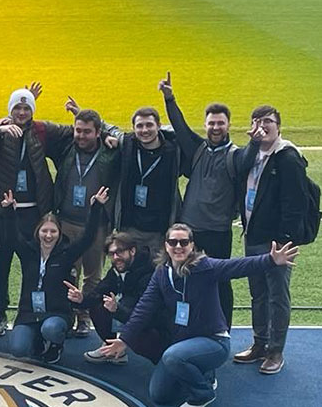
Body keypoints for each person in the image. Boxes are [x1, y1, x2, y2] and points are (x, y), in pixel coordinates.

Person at [100, 223, 299, 407]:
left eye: (184, 242)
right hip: (182, 343)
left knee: (172, 357)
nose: (178, 246)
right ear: (166, 245)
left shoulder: (205, 267)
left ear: (192, 245)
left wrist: (271, 260)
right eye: (173, 242)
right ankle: (202, 372)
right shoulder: (161, 273)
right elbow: (144, 308)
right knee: (159, 394)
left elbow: (238, 266)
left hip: (213, 341)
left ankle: (203, 392)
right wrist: (124, 340)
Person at [0, 86, 76, 336]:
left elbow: (76, 132)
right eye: (16, 107)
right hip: (3, 212)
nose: (21, 112)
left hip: (33, 215)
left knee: (32, 267)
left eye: (26, 107)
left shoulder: (42, 130)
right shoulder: (0, 131)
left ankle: (28, 313)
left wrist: (78, 113)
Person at [159, 72, 241, 328]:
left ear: (228, 125)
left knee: (219, 281)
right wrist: (169, 99)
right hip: (190, 230)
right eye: (211, 123)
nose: (215, 128)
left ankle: (222, 329)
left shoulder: (236, 156)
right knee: (184, 278)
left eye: (220, 123)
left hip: (218, 231)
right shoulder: (197, 149)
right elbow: (180, 128)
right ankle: (187, 327)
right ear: (205, 125)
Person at [233, 106, 308, 374]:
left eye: (268, 121)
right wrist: (252, 142)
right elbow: (238, 169)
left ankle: (275, 351)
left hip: (277, 240)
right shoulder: (252, 153)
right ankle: (259, 344)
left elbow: (296, 202)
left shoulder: (287, 157)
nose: (262, 126)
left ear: (279, 127)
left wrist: (285, 239)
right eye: (257, 121)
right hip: (253, 234)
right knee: (258, 294)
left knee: (277, 295)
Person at [6, 186, 110, 364]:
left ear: (59, 233)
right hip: (29, 314)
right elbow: (13, 236)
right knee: (18, 349)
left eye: (53, 231)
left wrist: (96, 208)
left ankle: (56, 344)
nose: (48, 235)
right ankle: (38, 339)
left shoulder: (66, 254)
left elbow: (87, 238)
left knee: (52, 329)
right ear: (38, 232)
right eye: (44, 231)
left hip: (56, 314)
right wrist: (9, 211)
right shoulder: (28, 253)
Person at [53, 108, 121, 338]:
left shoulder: (110, 153)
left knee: (93, 274)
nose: (80, 136)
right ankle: (66, 313)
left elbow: (123, 134)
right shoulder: (66, 148)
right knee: (67, 271)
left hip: (97, 225)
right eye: (77, 130)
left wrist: (110, 133)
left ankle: (84, 316)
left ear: (98, 133)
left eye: (87, 132)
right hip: (65, 221)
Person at [65, 231, 163, 365]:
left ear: (132, 251)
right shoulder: (117, 269)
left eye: (120, 252)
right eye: (112, 254)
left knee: (144, 340)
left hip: (153, 325)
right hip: (128, 314)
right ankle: (111, 348)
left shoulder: (149, 273)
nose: (116, 257)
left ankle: (163, 363)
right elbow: (98, 292)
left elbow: (141, 316)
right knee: (98, 306)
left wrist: (117, 309)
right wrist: (81, 299)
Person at [109, 106, 182, 258]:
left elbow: (186, 133)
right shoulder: (128, 144)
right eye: (139, 126)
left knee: (156, 275)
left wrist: (170, 100)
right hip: (130, 227)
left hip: (159, 230)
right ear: (133, 128)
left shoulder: (173, 150)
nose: (144, 130)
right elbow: (108, 128)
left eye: (149, 125)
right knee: (130, 273)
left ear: (159, 126)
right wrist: (103, 134)